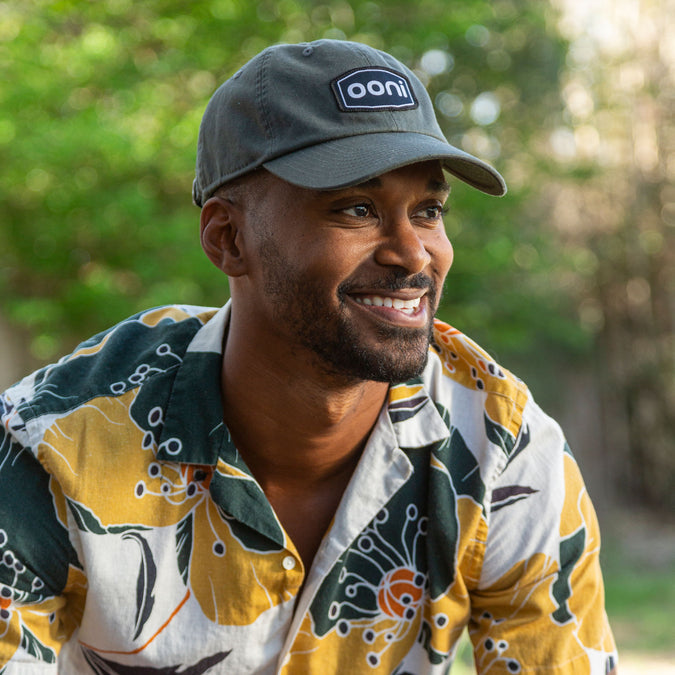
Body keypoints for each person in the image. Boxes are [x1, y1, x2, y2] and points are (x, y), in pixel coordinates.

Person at [0, 39, 617, 674]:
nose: (413, 253)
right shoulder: (53, 442)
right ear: (228, 238)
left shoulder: (500, 448)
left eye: (428, 211)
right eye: (358, 209)